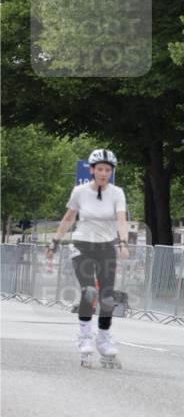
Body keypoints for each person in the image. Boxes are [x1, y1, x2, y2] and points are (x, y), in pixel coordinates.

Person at [47, 149, 129, 359]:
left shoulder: (117, 193)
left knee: (108, 297)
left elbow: (121, 219)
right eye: (100, 169)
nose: (103, 173)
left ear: (111, 172)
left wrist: (123, 243)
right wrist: (55, 242)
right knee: (90, 291)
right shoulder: (80, 191)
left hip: (105, 247)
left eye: (107, 170)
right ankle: (84, 335)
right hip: (82, 246)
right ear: (92, 170)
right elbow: (68, 218)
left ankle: (103, 337)